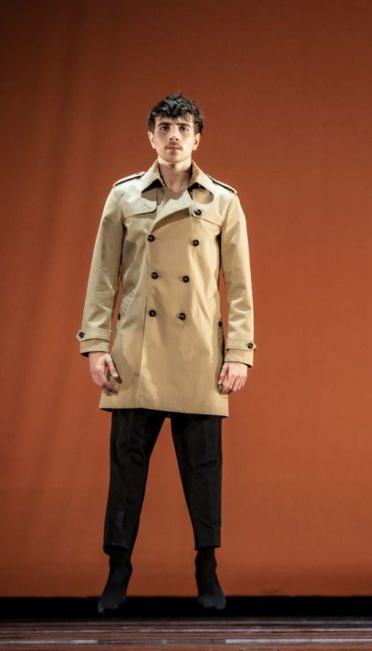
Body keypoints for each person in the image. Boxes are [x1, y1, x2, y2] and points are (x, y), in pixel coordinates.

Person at [77, 93, 255, 613]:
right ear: (150, 136)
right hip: (136, 353)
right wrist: (95, 345)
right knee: (126, 471)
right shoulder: (123, 197)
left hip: (200, 351)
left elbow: (239, 287)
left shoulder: (223, 201)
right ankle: (118, 571)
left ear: (198, 138)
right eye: (163, 127)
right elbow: (102, 277)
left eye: (182, 127)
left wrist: (238, 352)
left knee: (205, 469)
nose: (173, 136)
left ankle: (207, 568)